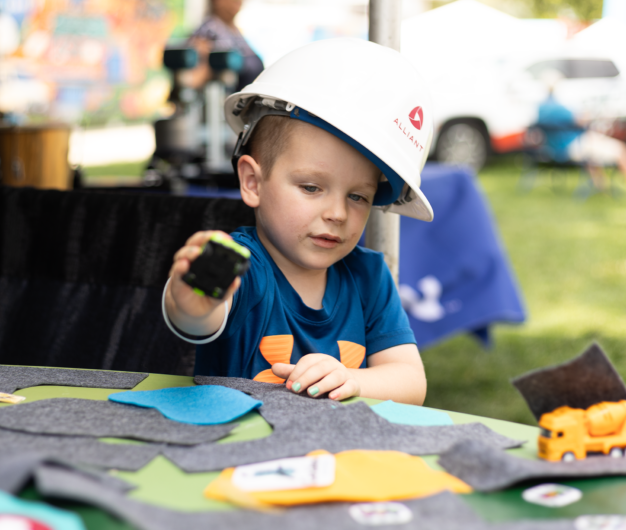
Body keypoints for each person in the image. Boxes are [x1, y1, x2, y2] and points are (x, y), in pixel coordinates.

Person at [163, 38, 433, 404]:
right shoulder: (244, 266)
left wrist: (352, 380)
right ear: (253, 182)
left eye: (358, 196)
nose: (337, 213)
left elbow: (411, 382)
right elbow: (198, 318)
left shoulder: (368, 277)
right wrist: (192, 301)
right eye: (311, 187)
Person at [536, 73, 626, 196]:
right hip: (573, 147)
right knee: (621, 149)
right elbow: (581, 119)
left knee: (595, 150)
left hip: (554, 149)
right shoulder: (558, 108)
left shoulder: (541, 109)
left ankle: (600, 185)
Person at [188, 0, 264, 91]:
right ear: (217, 0)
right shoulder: (208, 31)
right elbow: (194, 78)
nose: (239, 0)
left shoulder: (234, 31)